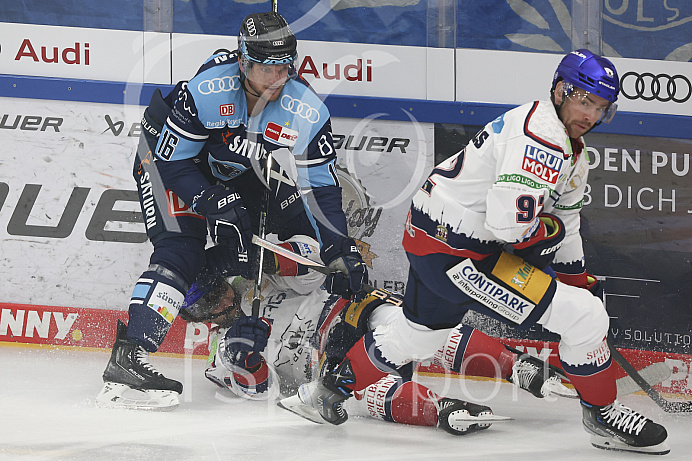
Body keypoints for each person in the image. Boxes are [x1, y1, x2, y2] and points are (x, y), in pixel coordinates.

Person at [283, 50, 670, 455]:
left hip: (434, 237)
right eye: (584, 101)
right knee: (586, 319)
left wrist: (576, 282)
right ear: (560, 90)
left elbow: (566, 226)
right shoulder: (541, 139)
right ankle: (603, 416)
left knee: (416, 334)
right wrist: (554, 250)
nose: (589, 114)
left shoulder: (569, 146)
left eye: (600, 108)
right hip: (457, 250)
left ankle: (325, 391)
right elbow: (512, 228)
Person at [96, 11, 367, 410]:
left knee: (247, 243)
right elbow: (172, 163)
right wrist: (209, 200)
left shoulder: (307, 111)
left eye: (284, 68)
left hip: (231, 168)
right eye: (265, 69)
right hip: (168, 162)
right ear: (243, 62)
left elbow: (322, 190)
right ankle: (129, 355)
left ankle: (206, 292)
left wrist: (340, 247)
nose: (276, 80)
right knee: (180, 247)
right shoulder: (209, 89)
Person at [184, 235, 515, 435]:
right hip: (324, 361)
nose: (225, 301)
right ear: (193, 316)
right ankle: (442, 410)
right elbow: (261, 391)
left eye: (219, 291)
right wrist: (250, 360)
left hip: (348, 311)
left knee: (414, 323)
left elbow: (309, 259)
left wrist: (269, 258)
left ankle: (518, 368)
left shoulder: (254, 277)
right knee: (362, 391)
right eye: (208, 305)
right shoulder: (221, 352)